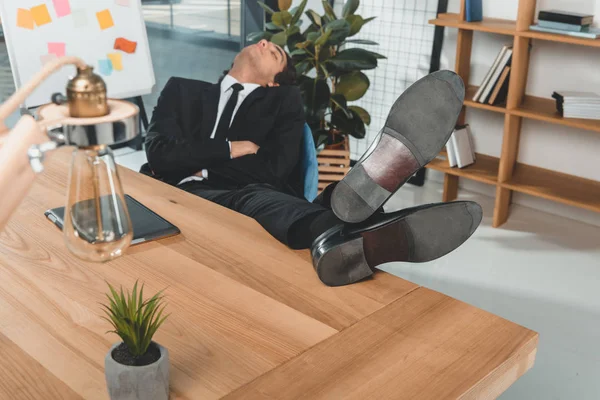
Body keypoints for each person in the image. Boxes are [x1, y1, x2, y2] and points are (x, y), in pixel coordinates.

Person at [143, 39, 483, 287]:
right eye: (265, 43)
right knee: (257, 197)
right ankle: (351, 221)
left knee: (257, 198)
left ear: (274, 81)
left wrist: (192, 157)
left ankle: (335, 233)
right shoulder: (183, 91)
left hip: (243, 194)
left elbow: (273, 170)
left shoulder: (283, 101)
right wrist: (232, 148)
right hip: (171, 193)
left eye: (275, 51)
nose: (265, 42)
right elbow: (158, 153)